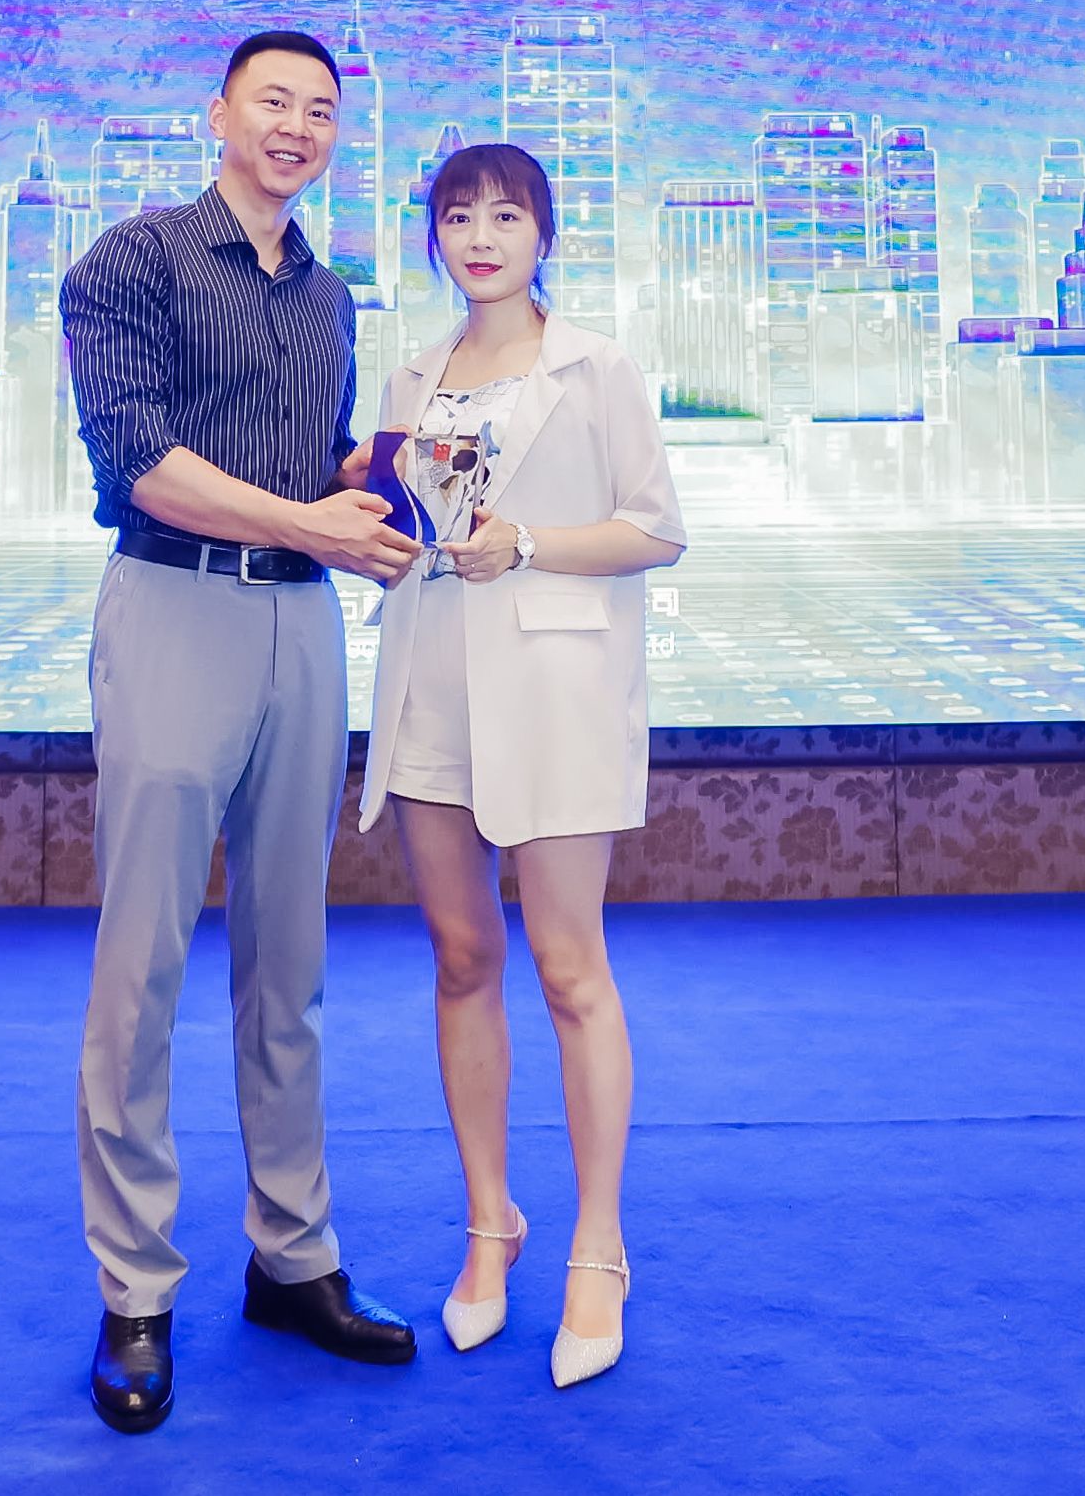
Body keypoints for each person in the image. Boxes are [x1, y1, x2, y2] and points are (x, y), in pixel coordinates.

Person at [58, 28, 424, 1436]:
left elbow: (307, 464)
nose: (297, 126)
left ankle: (293, 1255)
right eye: (274, 100)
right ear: (218, 112)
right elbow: (139, 458)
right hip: (173, 603)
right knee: (142, 963)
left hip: (301, 625)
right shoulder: (132, 259)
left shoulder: (329, 294)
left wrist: (395, 472)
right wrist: (310, 521)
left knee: (293, 961)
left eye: (321, 110)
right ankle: (136, 1286)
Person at [355, 140, 686, 1390]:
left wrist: (530, 543)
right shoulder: (412, 373)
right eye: (458, 216)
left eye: (505, 215)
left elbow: (654, 527)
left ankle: (599, 1245)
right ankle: (490, 1222)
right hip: (430, 683)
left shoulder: (595, 366)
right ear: (433, 235)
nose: (481, 237)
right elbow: (400, 518)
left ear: (544, 233)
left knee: (568, 968)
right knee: (460, 958)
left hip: (553, 691)